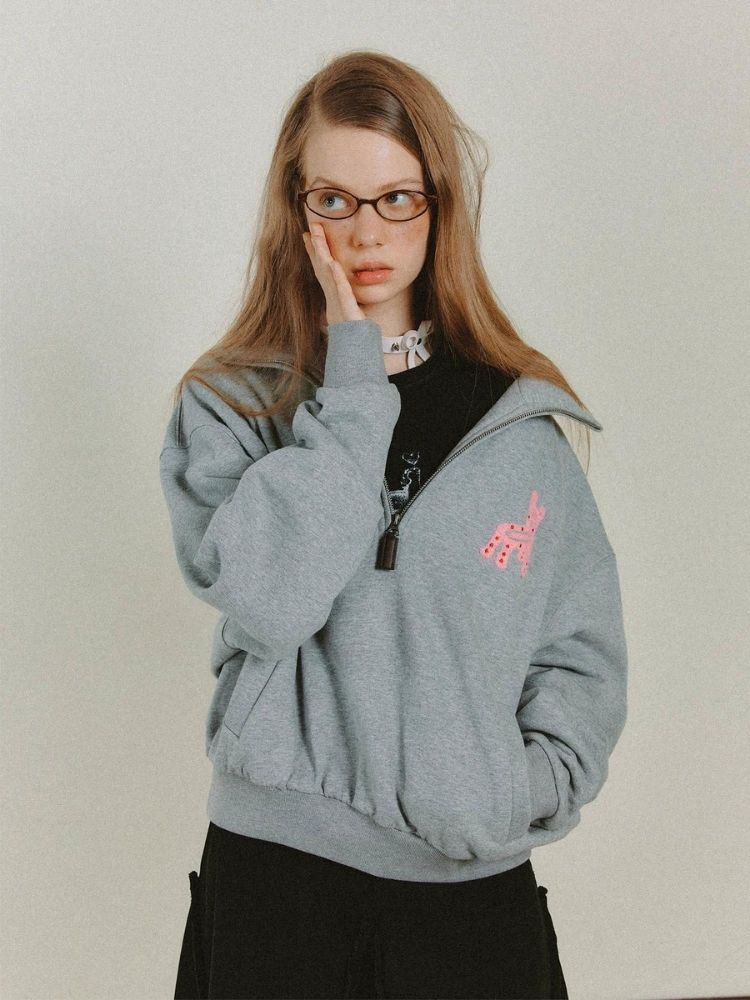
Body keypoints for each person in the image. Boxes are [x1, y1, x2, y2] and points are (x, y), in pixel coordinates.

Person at [159, 49, 628, 1000]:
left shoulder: (517, 422)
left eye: (398, 198)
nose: (367, 232)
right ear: (295, 210)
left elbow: (579, 655)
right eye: (335, 199)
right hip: (277, 881)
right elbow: (274, 598)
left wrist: (507, 792)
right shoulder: (233, 405)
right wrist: (355, 380)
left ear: (439, 205)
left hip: (468, 893)